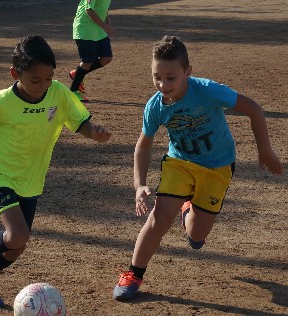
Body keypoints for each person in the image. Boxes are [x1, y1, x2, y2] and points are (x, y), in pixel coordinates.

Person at [112, 35, 284, 301]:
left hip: (217, 167)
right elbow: (143, 146)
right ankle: (134, 274)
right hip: (179, 164)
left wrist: (265, 150)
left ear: (187, 72)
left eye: (171, 77)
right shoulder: (155, 106)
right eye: (157, 77)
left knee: (196, 237)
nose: (163, 84)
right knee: (159, 217)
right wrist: (140, 185)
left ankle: (187, 208)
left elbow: (253, 108)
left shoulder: (207, 90)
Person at [0, 35, 112, 308]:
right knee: (18, 236)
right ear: (15, 73)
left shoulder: (58, 93)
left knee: (17, 247)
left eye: (48, 78)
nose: (43, 86)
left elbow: (79, 121)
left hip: (30, 180)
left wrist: (93, 132)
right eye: (35, 80)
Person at [69, 0, 114, 102]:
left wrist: (107, 18)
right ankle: (73, 92)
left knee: (107, 58)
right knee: (87, 62)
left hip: (98, 31)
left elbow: (101, 6)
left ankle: (78, 74)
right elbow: (89, 10)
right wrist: (104, 26)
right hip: (85, 30)